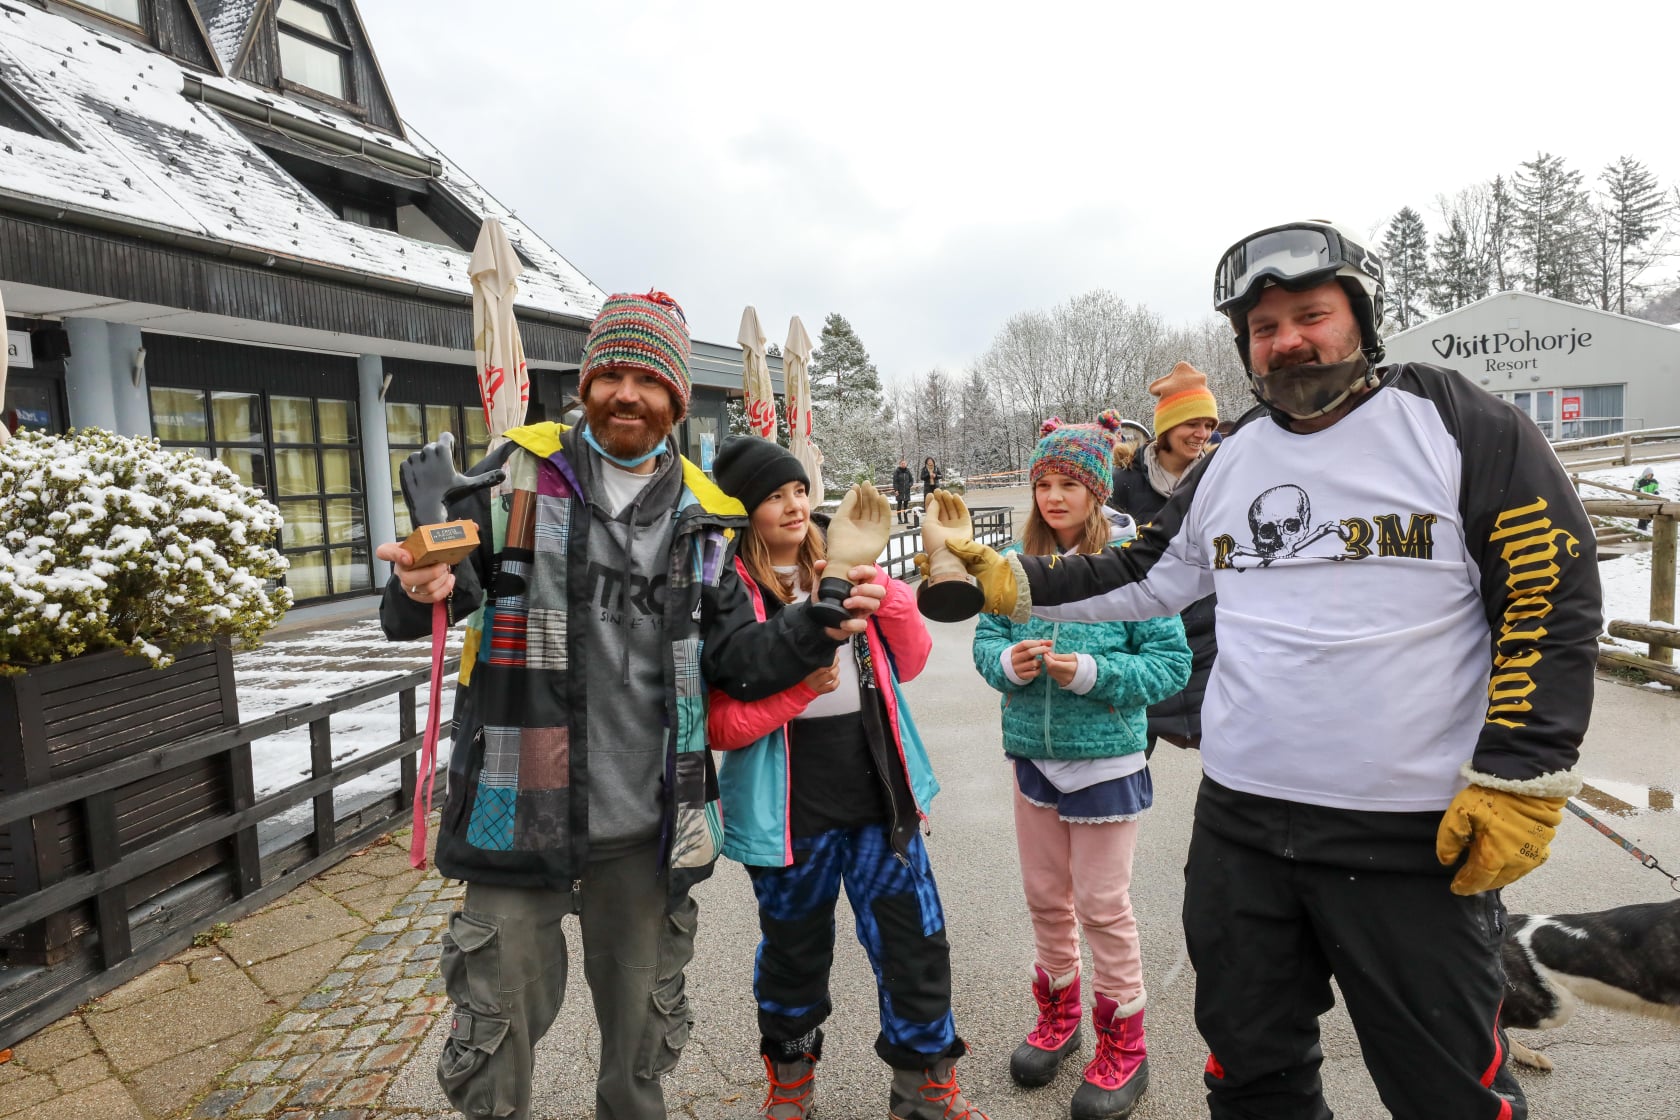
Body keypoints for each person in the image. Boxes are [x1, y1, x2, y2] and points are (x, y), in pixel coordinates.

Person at [929, 220, 1602, 1120]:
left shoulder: (1460, 422)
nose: (1286, 340)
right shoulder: (1234, 455)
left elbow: (1550, 598)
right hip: (1243, 825)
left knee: (1446, 1089)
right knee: (1252, 1073)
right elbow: (1142, 573)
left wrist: (1521, 772)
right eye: (1263, 327)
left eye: (1309, 314)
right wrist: (1015, 580)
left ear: (1360, 316)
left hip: (1406, 832)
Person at [376, 291, 864, 1120]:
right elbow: (423, 603)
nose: (626, 393)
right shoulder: (510, 480)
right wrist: (416, 581)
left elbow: (738, 665)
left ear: (676, 398)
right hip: (513, 808)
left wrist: (811, 630)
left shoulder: (706, 518)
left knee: (640, 1054)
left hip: (649, 823)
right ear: (586, 385)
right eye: (611, 374)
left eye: (647, 378)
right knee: (493, 1038)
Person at [704, 435, 989, 1120]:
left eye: (799, 490)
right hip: (787, 807)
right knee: (794, 955)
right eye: (775, 495)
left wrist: (881, 584)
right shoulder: (727, 588)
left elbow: (913, 658)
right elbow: (721, 724)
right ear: (745, 510)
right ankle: (792, 1077)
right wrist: (796, 692)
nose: (795, 505)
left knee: (914, 941)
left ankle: (923, 1088)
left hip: (877, 790)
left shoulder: (843, 555)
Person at [971, 413, 1191, 1120]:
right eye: (1044, 484)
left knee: (1102, 906)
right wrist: (1009, 662)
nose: (1055, 497)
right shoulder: (1011, 564)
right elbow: (986, 641)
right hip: (1034, 760)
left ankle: (1126, 1043)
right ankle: (1059, 1017)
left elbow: (1170, 665)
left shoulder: (1137, 562)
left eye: (1070, 483)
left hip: (1105, 764)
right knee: (1044, 898)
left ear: (1097, 490)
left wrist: (1091, 672)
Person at [1111, 363, 1219, 757]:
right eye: (1192, 422)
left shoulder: (1218, 478)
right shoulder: (1124, 483)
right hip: (1145, 643)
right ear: (1165, 427)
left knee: (1229, 767)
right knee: (1126, 770)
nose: (1202, 434)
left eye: (1208, 424)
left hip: (1211, 644)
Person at [1636, 465, 1660, 530]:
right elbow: (1635, 488)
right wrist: (1638, 490)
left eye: (1651, 475)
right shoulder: (1640, 481)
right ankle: (1641, 528)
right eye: (1648, 475)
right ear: (1645, 474)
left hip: (1651, 501)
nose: (1649, 476)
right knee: (1643, 514)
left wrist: (1656, 491)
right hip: (1642, 501)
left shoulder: (1654, 482)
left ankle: (1643, 526)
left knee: (1650, 515)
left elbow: (1657, 488)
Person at [894, 457, 916, 525]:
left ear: (906, 464)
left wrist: (909, 485)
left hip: (906, 491)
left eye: (904, 463)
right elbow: (895, 482)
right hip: (899, 491)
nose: (903, 464)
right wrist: (896, 490)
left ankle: (906, 519)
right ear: (900, 464)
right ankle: (899, 519)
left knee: (906, 506)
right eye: (902, 463)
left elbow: (911, 480)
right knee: (899, 505)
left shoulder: (907, 471)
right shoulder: (897, 471)